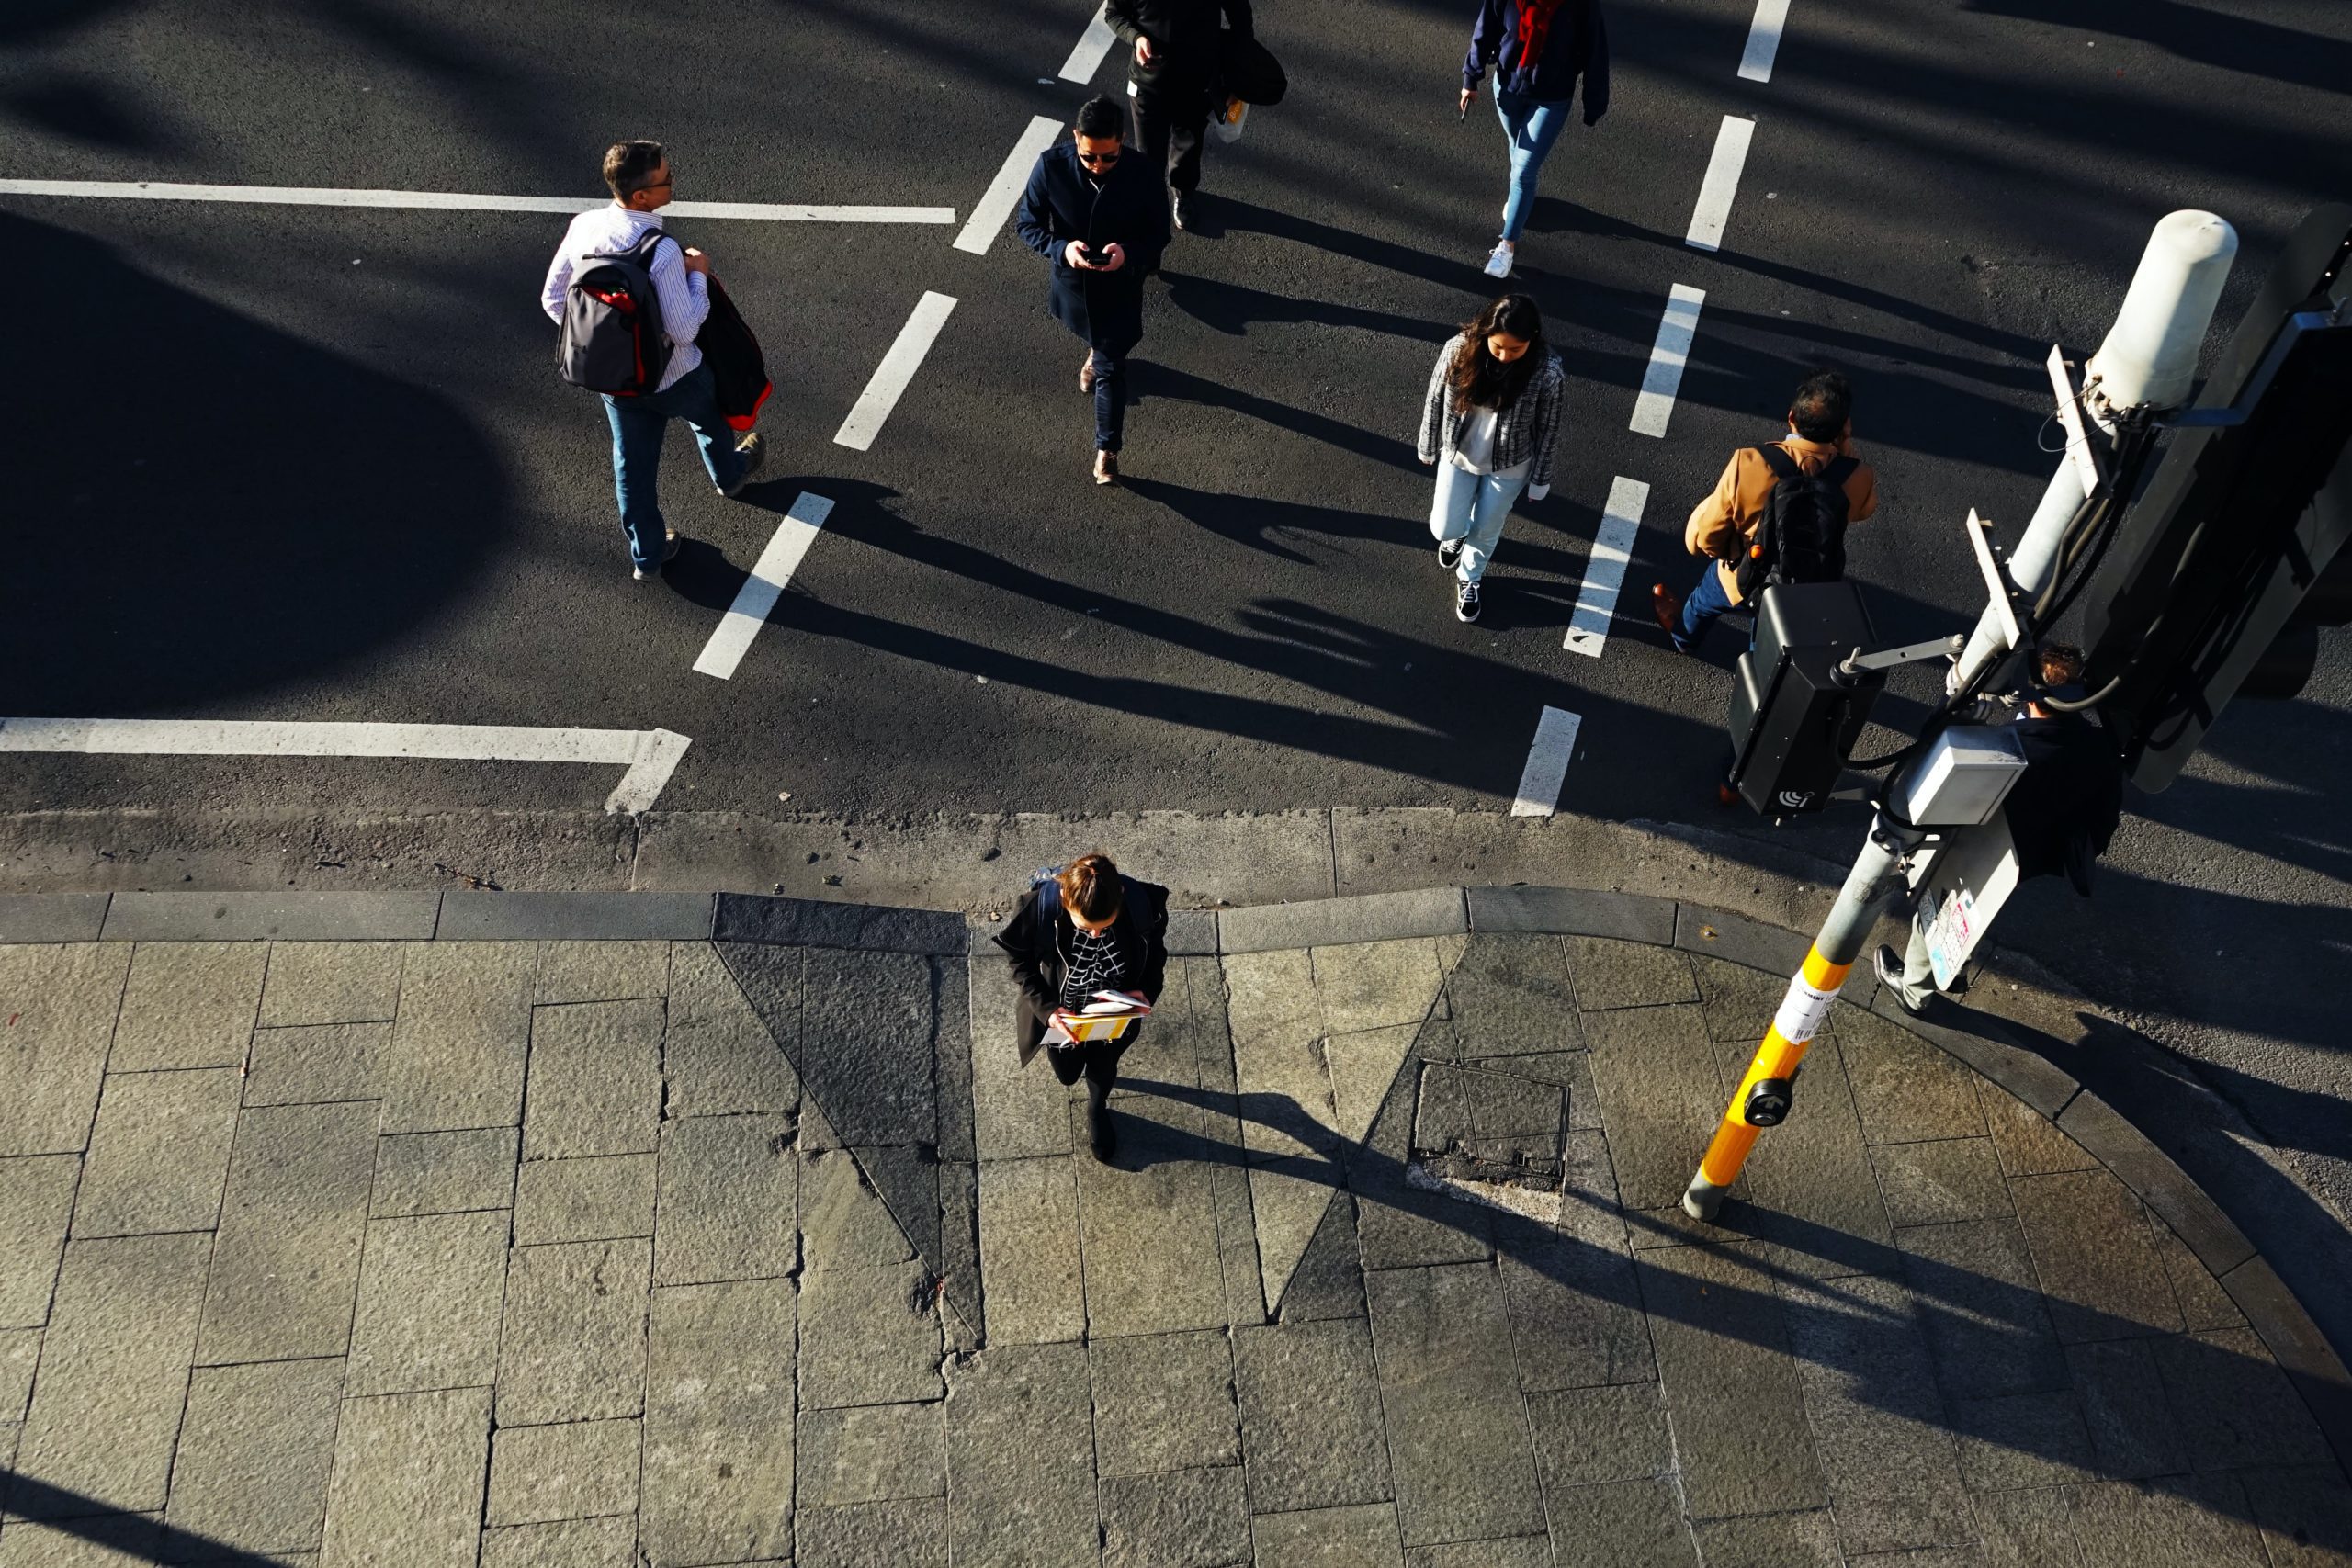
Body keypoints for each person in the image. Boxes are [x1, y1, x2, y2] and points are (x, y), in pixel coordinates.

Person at [541, 140, 764, 581]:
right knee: (710, 420)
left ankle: (647, 555)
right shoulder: (660, 251)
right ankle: (730, 476)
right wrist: (698, 274)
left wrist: (606, 347)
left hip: (616, 383)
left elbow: (553, 299)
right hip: (674, 378)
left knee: (632, 466)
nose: (673, 183)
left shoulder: (583, 226)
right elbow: (684, 330)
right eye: (666, 180)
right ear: (641, 196)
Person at [1877, 644, 2124, 1012]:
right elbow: (2105, 816)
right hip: (2037, 855)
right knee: (1980, 909)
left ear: (2033, 695)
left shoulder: (2011, 747)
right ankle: (1956, 965)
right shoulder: (2101, 746)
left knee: (1940, 909)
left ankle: (1913, 991)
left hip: (1986, 845)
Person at [1652, 369, 1878, 654]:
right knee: (1770, 636)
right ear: (1844, 428)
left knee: (1702, 603)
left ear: (1792, 417)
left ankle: (1684, 638)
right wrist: (1845, 449)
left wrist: (1727, 557)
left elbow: (1710, 533)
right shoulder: (1859, 475)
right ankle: (1761, 677)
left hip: (1742, 574)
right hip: (1803, 586)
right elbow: (1864, 510)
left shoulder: (1749, 461)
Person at [1014, 96, 1174, 486]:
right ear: (1076, 139)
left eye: (1108, 157)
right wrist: (1062, 249)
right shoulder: (1050, 168)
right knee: (1098, 344)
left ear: (1122, 141)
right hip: (1073, 284)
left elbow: (1159, 235)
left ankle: (1107, 450)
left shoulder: (1144, 174)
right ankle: (1093, 351)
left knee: (1110, 367)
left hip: (1120, 284)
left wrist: (1129, 254)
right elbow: (1027, 224)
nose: (1098, 166)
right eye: (1089, 158)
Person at [994, 853, 1171, 1161]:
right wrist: (1047, 1011)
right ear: (1065, 899)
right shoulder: (1039, 908)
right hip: (1064, 1019)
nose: (1095, 935)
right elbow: (1019, 961)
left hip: (1115, 1016)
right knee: (1066, 1074)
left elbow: (1156, 953)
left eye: (1105, 926)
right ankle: (1086, 1084)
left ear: (1121, 900)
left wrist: (1146, 993)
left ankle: (1097, 1108)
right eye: (1086, 927)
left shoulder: (1144, 906)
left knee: (1104, 1069)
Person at [1416, 294, 1565, 624]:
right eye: (1498, 346)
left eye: (1516, 349)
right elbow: (1435, 396)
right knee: (1444, 527)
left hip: (1511, 466)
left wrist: (1540, 479)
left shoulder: (1547, 372)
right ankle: (1457, 537)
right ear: (1485, 333)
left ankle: (1470, 577)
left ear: (1532, 340)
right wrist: (1427, 444)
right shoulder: (1458, 350)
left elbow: (1548, 428)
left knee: (1486, 528)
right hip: (1460, 455)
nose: (1505, 355)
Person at [1458, 0, 1611, 278]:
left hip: (1551, 99)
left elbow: (1595, 50)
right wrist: (1471, 77)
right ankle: (1521, 198)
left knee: (1524, 170)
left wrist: (1594, 103)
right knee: (1516, 148)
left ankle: (1507, 246)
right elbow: (1487, 27)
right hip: (1507, 90)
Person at [1106, 0, 1255, 232]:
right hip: (1148, 84)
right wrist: (1136, 38)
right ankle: (1150, 198)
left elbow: (1240, 13)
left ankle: (1183, 194)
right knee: (1148, 150)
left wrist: (1239, 68)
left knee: (1189, 143)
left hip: (1198, 81)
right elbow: (1114, 14)